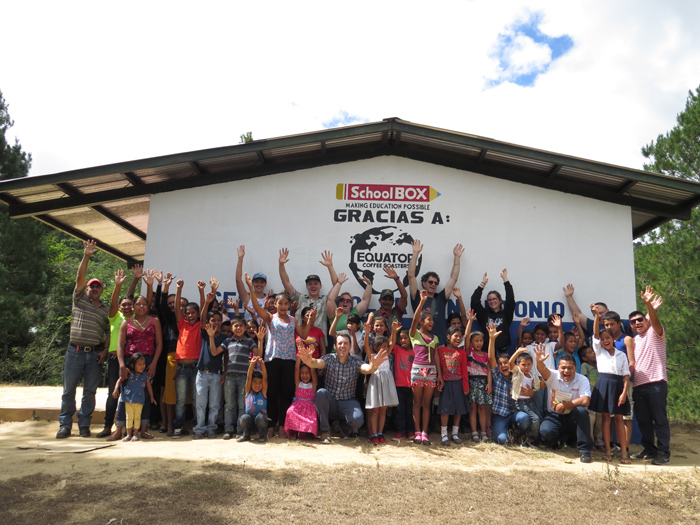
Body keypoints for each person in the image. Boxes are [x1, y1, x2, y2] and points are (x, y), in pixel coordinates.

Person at [246, 273, 312, 438]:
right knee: (272, 393)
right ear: (274, 304)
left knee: (286, 394)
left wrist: (310, 321)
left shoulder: (292, 320)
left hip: (289, 361)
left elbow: (303, 336)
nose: (283, 306)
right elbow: (255, 304)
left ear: (289, 305)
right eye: (280, 303)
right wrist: (250, 288)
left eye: (285, 303)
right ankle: (270, 424)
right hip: (272, 361)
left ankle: (283, 425)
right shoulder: (270, 317)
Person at [57, 240, 110, 439]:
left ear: (102, 290)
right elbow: (80, 277)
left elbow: (108, 331)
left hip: (95, 354)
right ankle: (65, 425)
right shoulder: (78, 299)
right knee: (68, 390)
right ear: (87, 289)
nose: (94, 288)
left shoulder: (105, 310)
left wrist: (105, 350)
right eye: (92, 286)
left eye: (98, 286)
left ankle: (84, 425)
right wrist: (86, 256)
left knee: (90, 392)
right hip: (75, 352)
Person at [298, 331, 388, 444]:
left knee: (358, 420)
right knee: (321, 393)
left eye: (345, 343)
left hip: (348, 402)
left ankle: (343, 427)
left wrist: (374, 365)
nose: (342, 346)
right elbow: (316, 363)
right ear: (335, 346)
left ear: (350, 346)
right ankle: (325, 431)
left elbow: (367, 369)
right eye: (340, 343)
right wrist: (309, 361)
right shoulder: (329, 358)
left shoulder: (355, 361)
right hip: (330, 403)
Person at [110, 294, 162, 441]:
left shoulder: (154, 321)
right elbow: (120, 345)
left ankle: (143, 429)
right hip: (129, 361)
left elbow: (159, 344)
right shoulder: (126, 323)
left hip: (148, 361)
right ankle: (119, 429)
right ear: (133, 306)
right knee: (124, 396)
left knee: (145, 396)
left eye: (144, 304)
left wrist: (154, 363)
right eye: (138, 304)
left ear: (148, 306)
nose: (141, 307)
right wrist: (122, 365)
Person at [629, 286, 670, 466]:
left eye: (640, 319)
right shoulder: (633, 340)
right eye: (633, 322)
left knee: (659, 420)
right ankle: (649, 449)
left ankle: (663, 453)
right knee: (644, 420)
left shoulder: (655, 333)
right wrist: (647, 311)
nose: (637, 323)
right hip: (639, 385)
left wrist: (648, 306)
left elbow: (654, 320)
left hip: (656, 383)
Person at [534, 345, 594, 463]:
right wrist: (539, 362)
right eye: (563, 368)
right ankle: (563, 440)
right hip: (554, 416)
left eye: (570, 368)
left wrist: (565, 405)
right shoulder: (553, 375)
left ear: (576, 368)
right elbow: (543, 370)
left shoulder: (582, 379)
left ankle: (585, 451)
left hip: (573, 417)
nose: (566, 371)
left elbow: (585, 400)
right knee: (546, 432)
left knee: (582, 411)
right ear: (558, 367)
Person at [588, 303, 631, 464]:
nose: (605, 341)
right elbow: (595, 334)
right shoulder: (599, 352)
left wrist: (624, 393)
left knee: (619, 419)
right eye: (603, 339)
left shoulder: (621, 355)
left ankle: (624, 453)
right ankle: (607, 450)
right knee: (605, 419)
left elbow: (626, 375)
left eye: (608, 338)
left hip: (618, 386)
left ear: (613, 339)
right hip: (603, 384)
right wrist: (596, 317)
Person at [97, 268, 136, 438]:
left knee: (131, 393)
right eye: (124, 304)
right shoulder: (115, 316)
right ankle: (107, 426)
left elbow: (141, 300)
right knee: (114, 393)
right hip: (114, 359)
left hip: (131, 359)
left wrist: (136, 280)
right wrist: (118, 285)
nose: (127, 307)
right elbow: (113, 303)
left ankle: (128, 428)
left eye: (130, 304)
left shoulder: (136, 317)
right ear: (120, 307)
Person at [408, 240, 464, 346]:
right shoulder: (418, 296)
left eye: (436, 283)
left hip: (440, 344)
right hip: (421, 344)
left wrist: (457, 258)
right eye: (430, 282)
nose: (433, 284)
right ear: (424, 283)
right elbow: (411, 276)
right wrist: (415, 254)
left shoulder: (441, 298)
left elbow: (454, 278)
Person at [171, 279, 206, 438]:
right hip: (182, 369)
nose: (190, 315)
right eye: (187, 313)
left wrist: (201, 291)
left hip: (197, 368)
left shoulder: (200, 325)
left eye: (193, 313)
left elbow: (205, 309)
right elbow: (178, 309)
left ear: (198, 314)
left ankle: (196, 428)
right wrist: (179, 289)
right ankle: (178, 428)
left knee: (197, 401)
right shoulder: (182, 324)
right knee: (181, 401)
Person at [487, 324, 532, 445]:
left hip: (515, 413)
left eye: (506, 363)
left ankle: (518, 434)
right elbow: (491, 358)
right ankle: (507, 434)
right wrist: (492, 339)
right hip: (500, 415)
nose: (503, 366)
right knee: (502, 440)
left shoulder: (517, 375)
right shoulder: (497, 375)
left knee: (524, 419)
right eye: (500, 364)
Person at [279, 248, 338, 337]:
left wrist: (330, 267)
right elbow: (286, 283)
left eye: (316, 284)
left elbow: (336, 285)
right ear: (306, 287)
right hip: (300, 340)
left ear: (320, 286)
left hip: (319, 342)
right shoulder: (299, 298)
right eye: (310, 284)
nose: (313, 286)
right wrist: (281, 265)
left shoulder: (325, 300)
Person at [409, 289, 443, 446]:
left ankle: (424, 433)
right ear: (422, 322)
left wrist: (440, 376)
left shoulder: (435, 338)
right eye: (428, 319)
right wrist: (422, 302)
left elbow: (436, 356)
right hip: (417, 370)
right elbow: (415, 318)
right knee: (417, 402)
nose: (432, 322)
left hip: (431, 372)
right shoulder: (414, 334)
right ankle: (417, 432)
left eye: (432, 320)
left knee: (427, 403)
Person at [220, 317, 261, 440]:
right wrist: (211, 337)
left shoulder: (249, 341)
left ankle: (240, 430)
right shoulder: (228, 341)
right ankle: (228, 430)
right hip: (230, 377)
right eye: (235, 326)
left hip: (244, 377)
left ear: (245, 328)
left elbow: (258, 353)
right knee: (229, 405)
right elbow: (215, 351)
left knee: (242, 405)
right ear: (231, 328)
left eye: (241, 326)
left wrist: (260, 339)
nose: (238, 328)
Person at [364, 323, 400, 445]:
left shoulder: (388, 355)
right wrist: (367, 332)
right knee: (375, 410)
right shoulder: (372, 356)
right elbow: (366, 346)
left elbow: (393, 343)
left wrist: (394, 331)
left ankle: (380, 433)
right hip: (375, 382)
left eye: (386, 346)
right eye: (383, 347)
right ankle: (374, 434)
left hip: (386, 383)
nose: (386, 349)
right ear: (376, 347)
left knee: (383, 410)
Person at [437, 323, 471, 446]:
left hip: (458, 384)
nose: (458, 339)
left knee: (458, 410)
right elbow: (439, 367)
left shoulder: (461, 352)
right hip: (446, 384)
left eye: (460, 337)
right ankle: (444, 434)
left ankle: (455, 433)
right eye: (456, 336)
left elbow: (464, 371)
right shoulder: (441, 350)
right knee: (445, 410)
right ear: (448, 337)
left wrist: (465, 386)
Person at [112, 353, 155, 441]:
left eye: (143, 364)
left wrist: (152, 396)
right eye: (139, 364)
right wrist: (116, 389)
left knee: (137, 417)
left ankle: (135, 434)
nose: (142, 366)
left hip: (139, 399)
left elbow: (149, 386)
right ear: (132, 365)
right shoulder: (129, 373)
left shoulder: (145, 375)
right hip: (128, 399)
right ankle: (128, 434)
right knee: (129, 417)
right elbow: (120, 380)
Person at [470, 268, 515, 354]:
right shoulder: (484, 314)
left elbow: (510, 300)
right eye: (489, 300)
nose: (492, 301)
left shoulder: (506, 314)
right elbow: (474, 301)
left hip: (502, 352)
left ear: (500, 300)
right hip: (486, 351)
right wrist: (483, 284)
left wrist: (505, 279)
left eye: (494, 299)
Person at [508, 347, 541, 444]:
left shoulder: (533, 376)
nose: (526, 367)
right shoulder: (518, 373)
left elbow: (537, 388)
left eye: (528, 365)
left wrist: (531, 392)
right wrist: (517, 351)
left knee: (538, 418)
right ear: (518, 365)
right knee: (535, 419)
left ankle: (532, 438)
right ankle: (530, 440)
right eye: (523, 365)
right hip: (519, 402)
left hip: (529, 402)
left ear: (532, 365)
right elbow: (510, 363)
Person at [285, 348, 319, 439]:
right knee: (290, 411)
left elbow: (313, 370)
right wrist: (300, 355)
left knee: (311, 421)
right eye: (302, 373)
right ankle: (294, 432)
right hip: (297, 409)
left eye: (307, 373)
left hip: (309, 410)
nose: (305, 375)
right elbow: (296, 368)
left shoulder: (313, 384)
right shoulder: (298, 383)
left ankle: (307, 433)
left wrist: (309, 357)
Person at [466, 327, 492, 442]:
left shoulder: (486, 355)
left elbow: (489, 370)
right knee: (473, 408)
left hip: (483, 384)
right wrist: (470, 321)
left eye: (481, 340)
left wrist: (489, 384)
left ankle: (483, 432)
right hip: (472, 382)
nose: (479, 343)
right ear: (471, 342)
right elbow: (466, 336)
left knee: (482, 408)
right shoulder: (469, 352)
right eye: (476, 341)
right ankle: (474, 432)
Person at [235, 245, 269, 324]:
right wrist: (240, 259)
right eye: (256, 282)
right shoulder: (247, 298)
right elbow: (238, 280)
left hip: (262, 333)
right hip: (248, 333)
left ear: (265, 284)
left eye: (262, 282)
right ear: (252, 283)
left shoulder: (267, 300)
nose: (259, 284)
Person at [238, 356, 269, 442]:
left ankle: (262, 435)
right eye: (255, 382)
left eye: (259, 383)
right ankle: (246, 434)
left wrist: (262, 364)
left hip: (260, 421)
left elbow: (265, 378)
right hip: (250, 422)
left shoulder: (263, 393)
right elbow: (248, 378)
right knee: (244, 418)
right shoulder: (248, 392)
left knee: (260, 418)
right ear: (251, 383)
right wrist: (251, 365)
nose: (257, 385)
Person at [391, 328, 414, 441]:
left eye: (406, 338)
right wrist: (394, 332)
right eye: (401, 338)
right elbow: (390, 345)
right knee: (400, 410)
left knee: (410, 409)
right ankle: (401, 431)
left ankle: (410, 430)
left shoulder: (415, 352)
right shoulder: (397, 349)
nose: (403, 340)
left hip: (412, 386)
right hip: (399, 385)